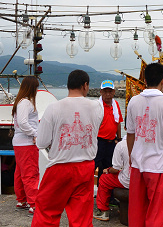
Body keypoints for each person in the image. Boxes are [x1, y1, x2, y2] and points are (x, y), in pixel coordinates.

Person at [32, 70, 103, 227]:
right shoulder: (97, 107)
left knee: (47, 212)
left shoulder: (54, 108)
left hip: (60, 167)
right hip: (85, 167)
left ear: (68, 86)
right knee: (82, 217)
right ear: (85, 85)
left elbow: (42, 142)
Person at [126, 62, 163, 227]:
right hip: (158, 166)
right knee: (159, 213)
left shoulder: (133, 102)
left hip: (138, 164)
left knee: (137, 210)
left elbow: (130, 134)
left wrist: (131, 155)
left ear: (144, 80)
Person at [11, 76, 40, 214]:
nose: (37, 90)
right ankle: (33, 203)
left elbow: (20, 122)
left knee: (20, 172)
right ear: (32, 88)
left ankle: (22, 199)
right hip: (27, 143)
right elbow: (23, 123)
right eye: (36, 87)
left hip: (19, 142)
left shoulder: (20, 102)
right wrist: (35, 133)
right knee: (31, 173)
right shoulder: (27, 103)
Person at [93, 137, 130, 221]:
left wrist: (108, 170)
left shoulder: (121, 145)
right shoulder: (146, 143)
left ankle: (103, 211)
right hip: (143, 180)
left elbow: (115, 169)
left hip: (127, 180)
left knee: (104, 179)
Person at [95, 80, 123, 182]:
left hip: (111, 142)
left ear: (114, 92)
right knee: (94, 165)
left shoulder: (116, 105)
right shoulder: (97, 106)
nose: (108, 94)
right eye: (105, 91)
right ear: (101, 92)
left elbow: (118, 122)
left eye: (110, 91)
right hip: (99, 141)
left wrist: (119, 139)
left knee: (109, 168)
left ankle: (106, 194)